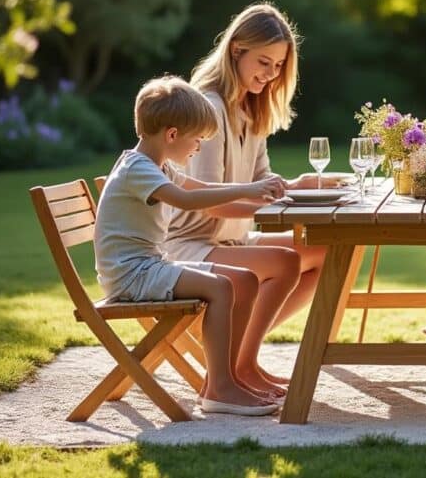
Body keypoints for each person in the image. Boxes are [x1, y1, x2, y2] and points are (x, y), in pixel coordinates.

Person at [95, 76, 300, 416]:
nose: (199, 148)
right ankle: (220, 388)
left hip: (150, 266)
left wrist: (252, 191)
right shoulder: (137, 169)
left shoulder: (158, 166)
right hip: (132, 274)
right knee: (221, 287)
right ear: (172, 135)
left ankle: (229, 379)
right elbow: (187, 200)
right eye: (197, 140)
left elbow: (200, 188)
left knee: (244, 279)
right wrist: (246, 190)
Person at [165, 2, 330, 398]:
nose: (271, 74)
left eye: (279, 66)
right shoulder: (209, 108)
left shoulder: (249, 109)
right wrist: (272, 201)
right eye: (264, 62)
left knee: (326, 251)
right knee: (284, 261)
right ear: (236, 50)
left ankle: (239, 353)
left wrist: (297, 186)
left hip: (231, 238)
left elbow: (260, 181)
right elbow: (208, 200)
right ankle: (240, 364)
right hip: (190, 244)